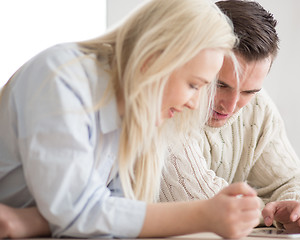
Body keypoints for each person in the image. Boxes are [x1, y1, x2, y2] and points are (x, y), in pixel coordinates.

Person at [0, 0, 262, 239]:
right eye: (194, 85)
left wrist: (33, 222)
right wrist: (204, 216)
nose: (194, 103)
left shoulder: (134, 112)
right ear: (154, 59)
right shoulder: (61, 80)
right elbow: (81, 213)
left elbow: (109, 214)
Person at [159, 0, 300, 234]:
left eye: (248, 91)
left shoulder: (257, 107)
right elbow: (195, 197)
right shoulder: (172, 101)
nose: (231, 105)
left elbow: (296, 180)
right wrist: (271, 212)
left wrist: (297, 211)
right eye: (220, 85)